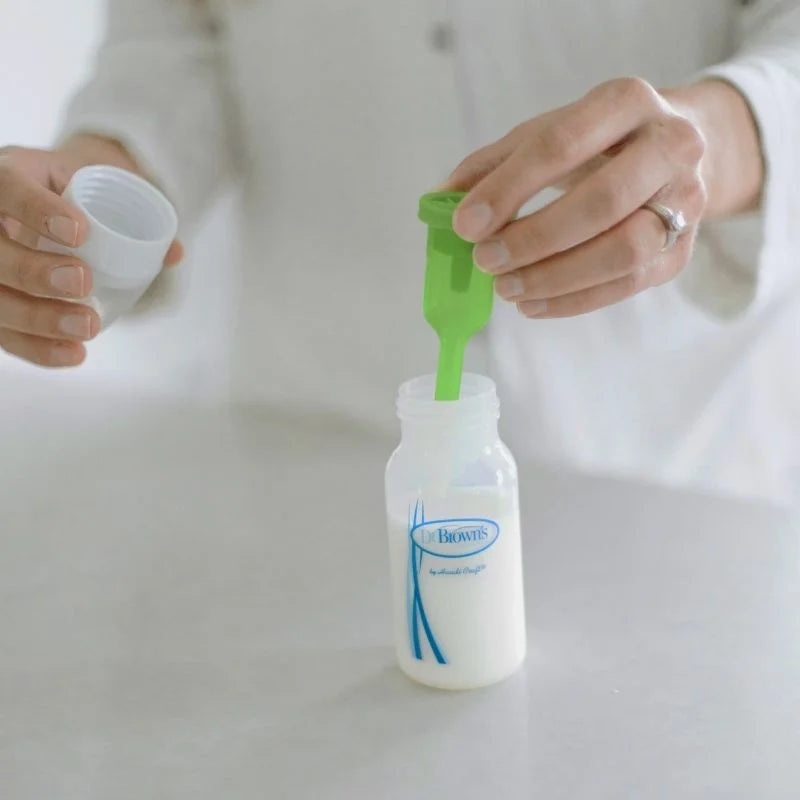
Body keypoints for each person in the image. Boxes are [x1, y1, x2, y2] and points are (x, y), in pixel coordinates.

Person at [0, 0, 798, 501]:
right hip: (314, 440)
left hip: (671, 463)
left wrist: (720, 139)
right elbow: (178, 41)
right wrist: (97, 185)